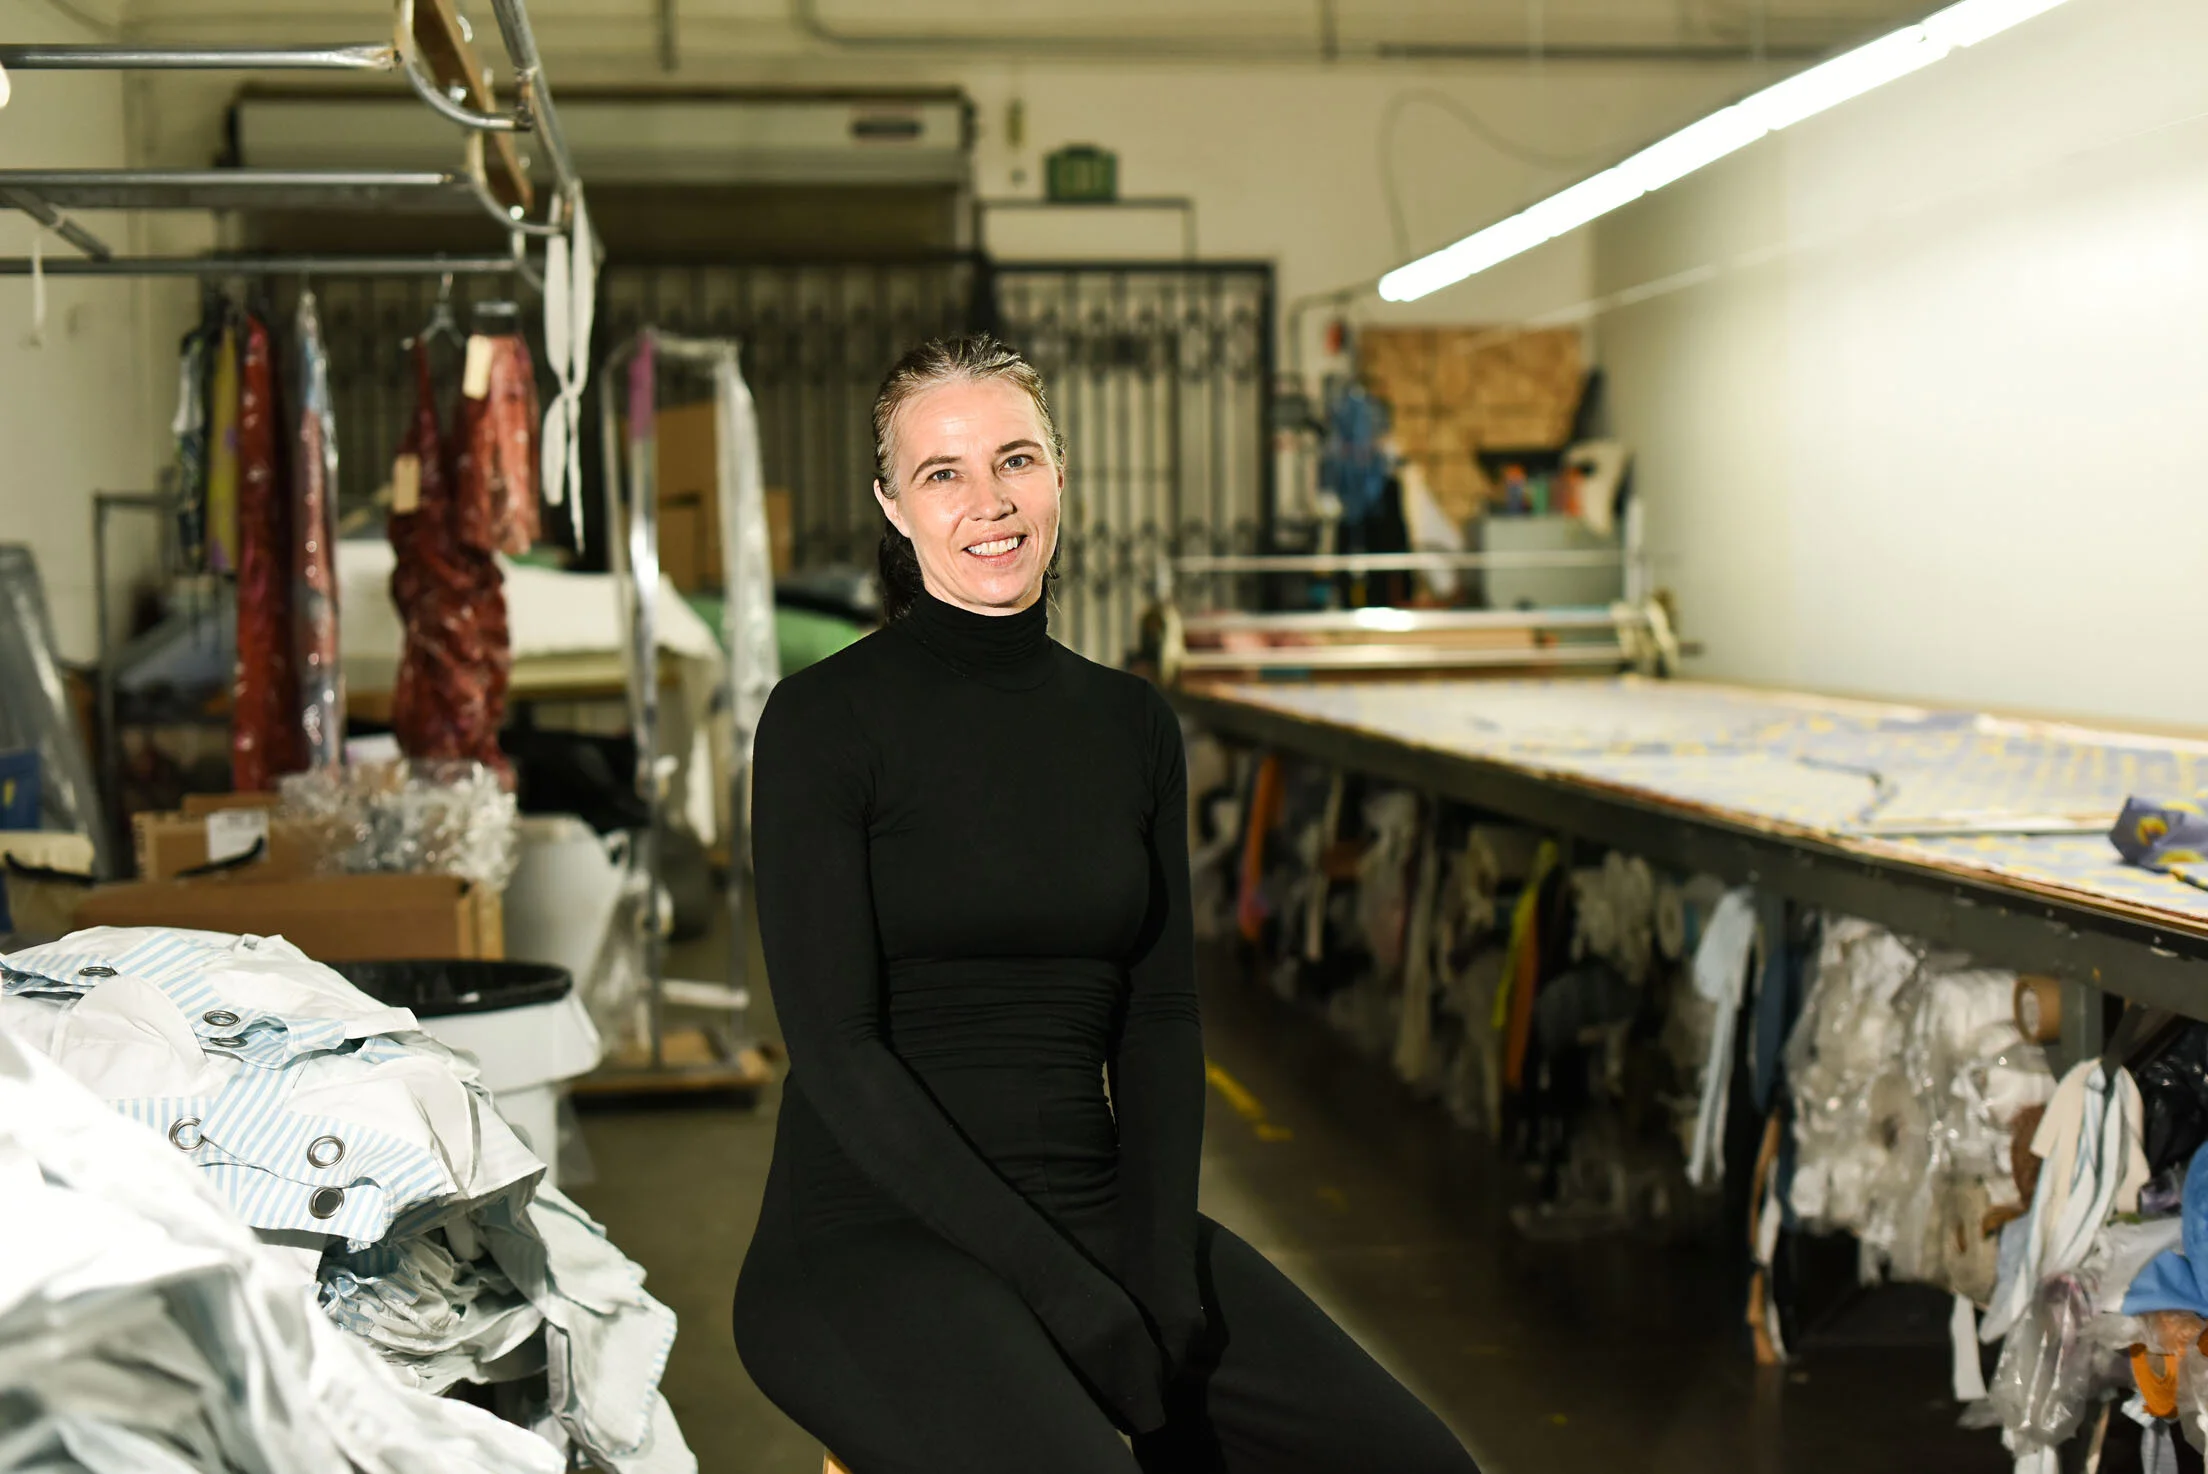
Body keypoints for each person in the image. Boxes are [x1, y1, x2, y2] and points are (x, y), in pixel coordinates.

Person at [733, 334, 1480, 1474]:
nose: (989, 501)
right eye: (943, 473)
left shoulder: (1131, 725)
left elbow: (1160, 1017)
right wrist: (1068, 1296)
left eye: (1015, 460)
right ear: (894, 506)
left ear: (1059, 474)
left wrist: (1160, 1276)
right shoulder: (823, 721)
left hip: (1088, 1206)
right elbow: (838, 1052)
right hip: (871, 1231)